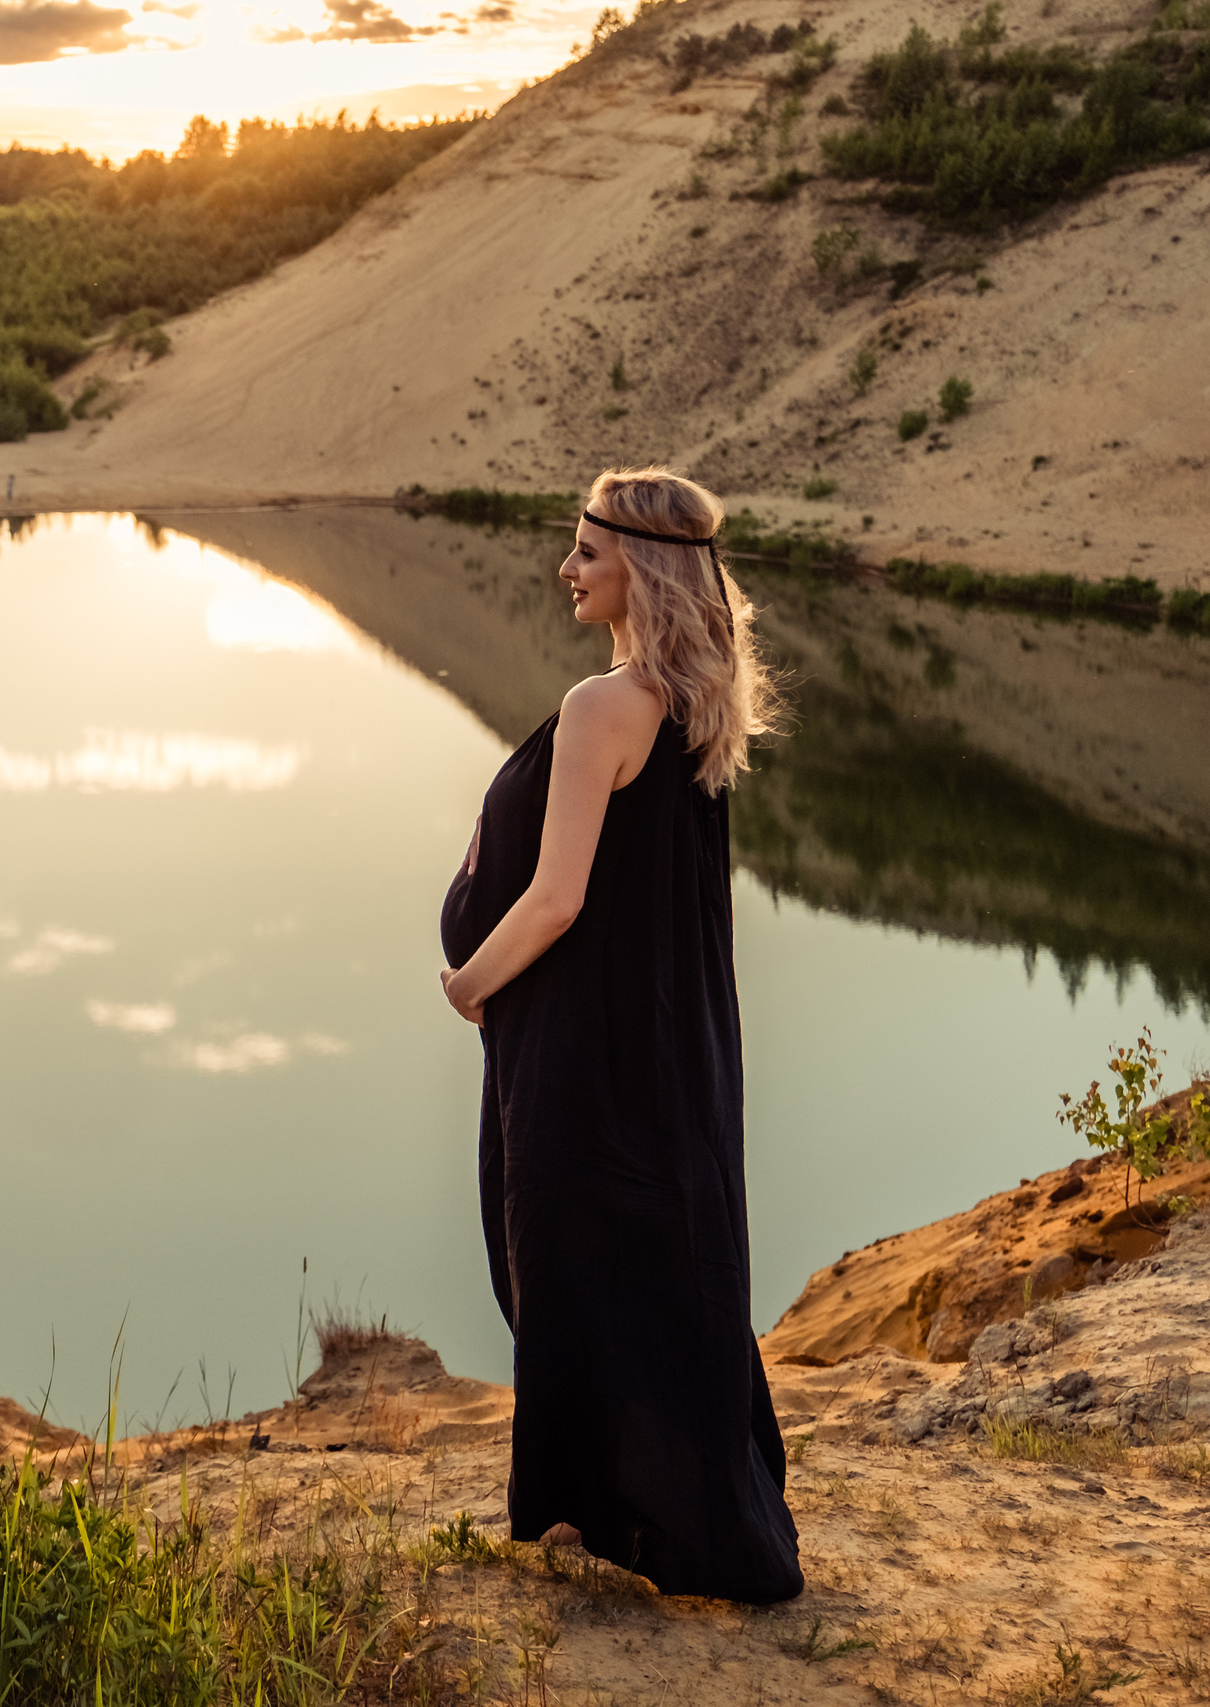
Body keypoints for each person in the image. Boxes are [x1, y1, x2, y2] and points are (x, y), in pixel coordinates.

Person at [437, 465, 800, 1604]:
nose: (567, 569)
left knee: (563, 1266)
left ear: (640, 567)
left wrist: (467, 982)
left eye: (586, 553)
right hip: (658, 1044)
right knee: (645, 1268)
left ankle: (589, 1508)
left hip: (584, 1050)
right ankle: (635, 1509)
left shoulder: (606, 707)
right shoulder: (693, 701)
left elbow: (556, 898)